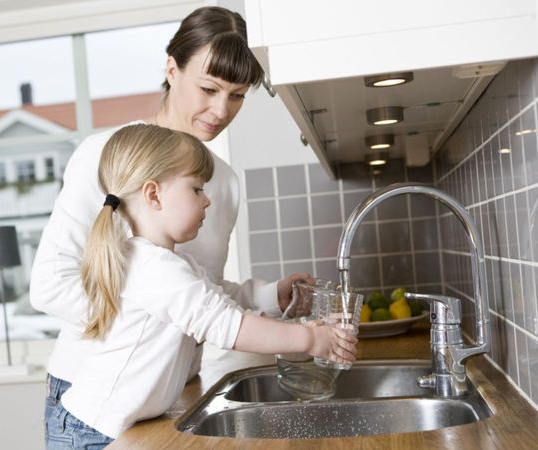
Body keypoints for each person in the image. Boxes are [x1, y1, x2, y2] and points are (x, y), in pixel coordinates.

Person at [30, 5, 313, 446]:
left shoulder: (224, 181)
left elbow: (198, 289)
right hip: (95, 395)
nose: (220, 110)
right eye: (208, 87)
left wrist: (264, 296)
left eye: (237, 95)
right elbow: (50, 284)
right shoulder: (106, 154)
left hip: (172, 392)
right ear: (171, 68)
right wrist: (146, 324)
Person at [46, 124, 357, 447]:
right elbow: (224, 325)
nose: (207, 200)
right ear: (154, 195)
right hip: (90, 434)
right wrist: (309, 338)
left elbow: (217, 300)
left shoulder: (168, 263)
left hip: (108, 426)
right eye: (196, 189)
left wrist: (276, 296)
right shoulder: (155, 269)